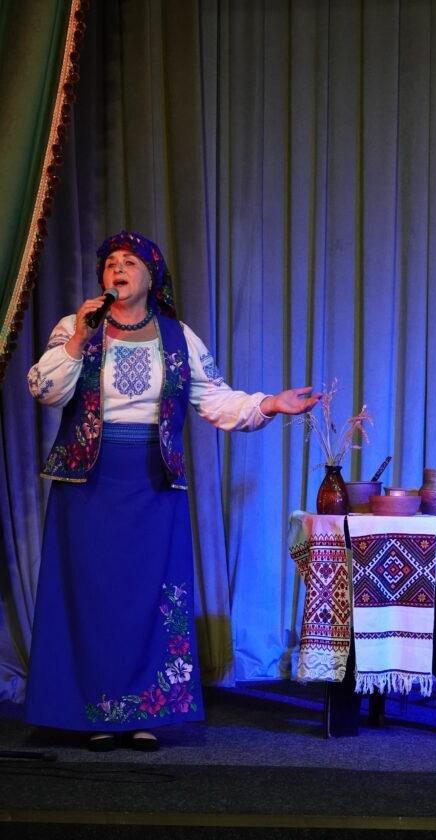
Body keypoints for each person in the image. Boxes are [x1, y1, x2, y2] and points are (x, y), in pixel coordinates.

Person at [25, 230, 320, 751]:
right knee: (94, 598)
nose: (118, 269)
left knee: (149, 598)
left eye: (130, 262)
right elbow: (44, 390)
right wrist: (77, 341)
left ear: (152, 276)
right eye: (110, 263)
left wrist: (269, 404)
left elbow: (215, 399)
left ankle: (143, 713)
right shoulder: (76, 327)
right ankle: (94, 712)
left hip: (153, 484)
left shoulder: (178, 337)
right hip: (88, 485)